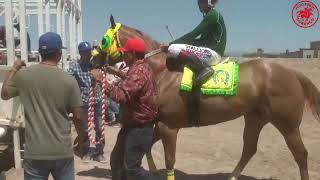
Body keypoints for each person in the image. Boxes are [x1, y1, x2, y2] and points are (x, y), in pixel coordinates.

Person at [1, 32, 87, 180]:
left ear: (40, 53)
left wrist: (14, 69)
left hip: (35, 153)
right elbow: (78, 116)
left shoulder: (23, 76)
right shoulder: (69, 80)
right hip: (62, 152)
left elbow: (4, 94)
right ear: (59, 53)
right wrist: (82, 138)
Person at [91, 38, 158, 180]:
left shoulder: (138, 72)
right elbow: (130, 80)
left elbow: (120, 95)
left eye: (125, 53)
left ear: (132, 54)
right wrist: (114, 71)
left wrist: (101, 80)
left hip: (139, 127)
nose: (123, 55)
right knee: (117, 161)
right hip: (133, 125)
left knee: (132, 168)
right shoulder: (141, 68)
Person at [165, 0, 227, 85]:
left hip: (212, 54)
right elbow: (200, 41)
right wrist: (182, 44)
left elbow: (193, 34)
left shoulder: (213, 15)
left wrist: (170, 44)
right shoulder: (210, 16)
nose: (198, 5)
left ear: (208, 2)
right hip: (209, 52)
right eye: (198, 2)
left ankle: (203, 69)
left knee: (173, 48)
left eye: (201, 2)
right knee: (177, 46)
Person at [68, 41, 106, 163]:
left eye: (89, 52)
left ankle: (99, 152)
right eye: (85, 53)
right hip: (84, 102)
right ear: (80, 54)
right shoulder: (75, 67)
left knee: (100, 127)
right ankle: (84, 151)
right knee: (84, 128)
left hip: (98, 100)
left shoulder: (95, 64)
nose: (88, 55)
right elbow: (67, 81)